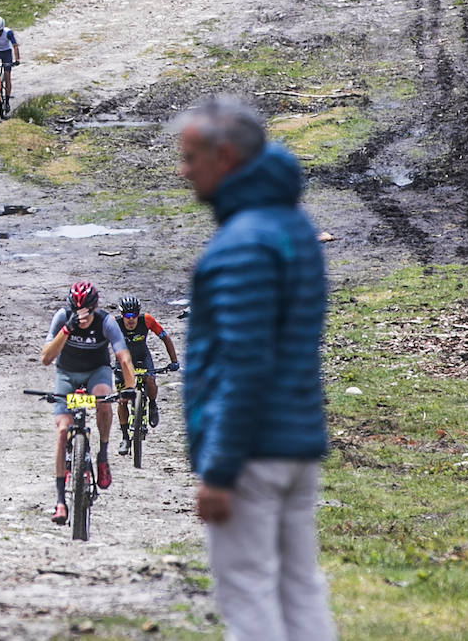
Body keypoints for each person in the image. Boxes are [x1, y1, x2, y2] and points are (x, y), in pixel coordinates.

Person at [177, 95, 336, 641]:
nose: (184, 170)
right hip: (297, 440)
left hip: (250, 451)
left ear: (224, 158)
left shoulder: (241, 245)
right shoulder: (293, 226)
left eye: (190, 157)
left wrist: (220, 469)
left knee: (246, 591)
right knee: (299, 587)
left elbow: (244, 365)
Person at [41, 281, 136, 525]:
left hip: (97, 371)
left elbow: (123, 358)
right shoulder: (62, 318)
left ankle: (103, 455)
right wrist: (67, 330)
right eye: (77, 312)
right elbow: (46, 358)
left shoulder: (106, 322)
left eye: (86, 313)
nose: (82, 317)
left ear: (95, 308)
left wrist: (129, 388)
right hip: (67, 374)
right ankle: (61, 501)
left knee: (104, 399)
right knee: (62, 431)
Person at [114, 294, 181, 455]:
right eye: (127, 316)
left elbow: (165, 337)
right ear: (122, 315)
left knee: (150, 380)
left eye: (134, 315)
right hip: (123, 360)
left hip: (143, 357)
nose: (131, 320)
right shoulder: (114, 324)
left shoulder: (147, 320)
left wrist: (174, 360)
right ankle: (124, 437)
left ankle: (152, 404)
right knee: (122, 400)